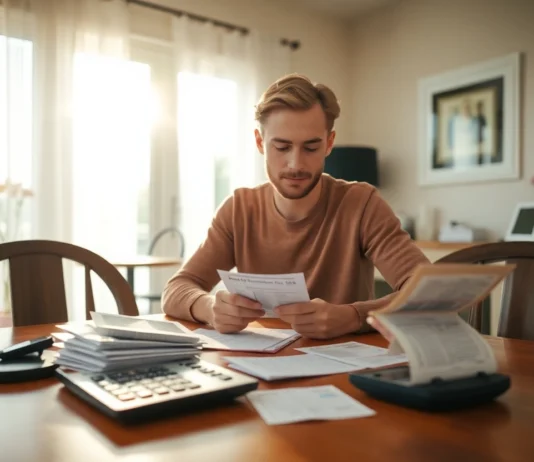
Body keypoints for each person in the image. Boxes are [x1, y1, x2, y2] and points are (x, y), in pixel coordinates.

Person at [162, 73, 430, 340]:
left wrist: (353, 316)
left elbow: (428, 293)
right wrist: (209, 307)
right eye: (282, 147)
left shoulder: (361, 204)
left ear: (329, 143)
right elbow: (177, 289)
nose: (296, 164)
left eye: (311, 148)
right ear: (259, 142)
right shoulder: (238, 209)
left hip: (345, 368)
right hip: (259, 364)